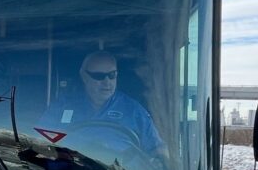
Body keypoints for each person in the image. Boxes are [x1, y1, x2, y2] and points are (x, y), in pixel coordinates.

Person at [37, 51, 168, 161]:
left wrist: (167, 164)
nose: (107, 82)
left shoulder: (134, 111)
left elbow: (157, 151)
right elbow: (38, 143)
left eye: (112, 75)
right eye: (99, 76)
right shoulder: (62, 107)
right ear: (84, 76)